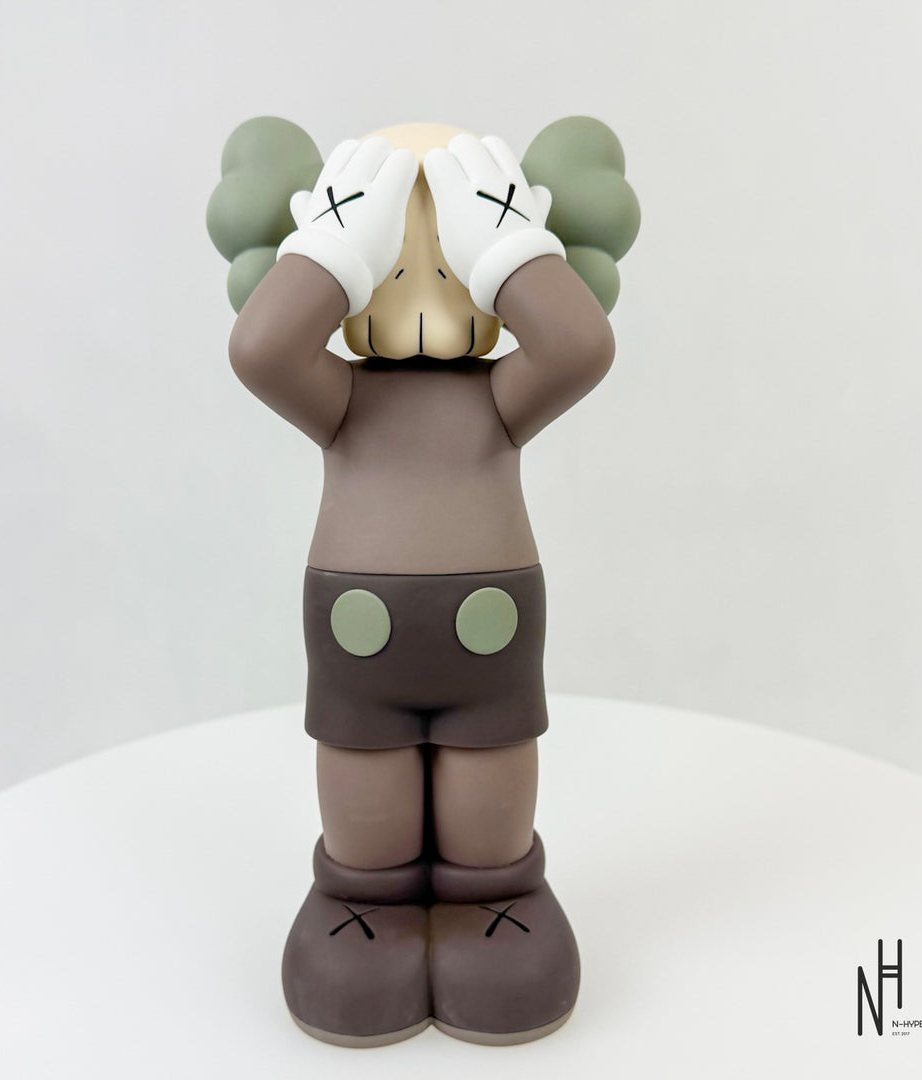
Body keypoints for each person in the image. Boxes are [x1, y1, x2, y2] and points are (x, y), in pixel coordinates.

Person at [208, 118, 639, 1046]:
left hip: (490, 653)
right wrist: (331, 250)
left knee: (492, 792)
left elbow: (581, 348)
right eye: (390, 257)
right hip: (360, 655)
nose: (421, 284)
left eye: (452, 257)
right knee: (365, 795)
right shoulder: (341, 400)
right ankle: (361, 900)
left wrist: (511, 250)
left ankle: (496, 896)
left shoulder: (500, 398)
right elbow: (260, 351)